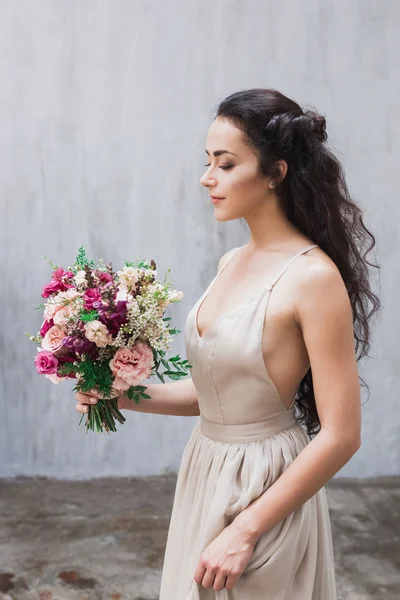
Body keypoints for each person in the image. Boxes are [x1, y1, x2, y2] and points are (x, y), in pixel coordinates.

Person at [75, 88, 380, 599]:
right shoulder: (230, 264)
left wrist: (245, 529)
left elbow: (342, 434)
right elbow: (213, 394)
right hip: (206, 469)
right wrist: (121, 394)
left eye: (226, 163)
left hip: (264, 489)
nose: (206, 178)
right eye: (207, 161)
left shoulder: (312, 278)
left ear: (275, 172)